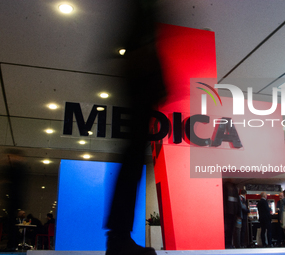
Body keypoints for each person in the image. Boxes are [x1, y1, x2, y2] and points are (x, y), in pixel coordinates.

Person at [104, 1, 166, 255]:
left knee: (132, 156)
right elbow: (140, 40)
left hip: (140, 81)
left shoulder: (142, 10)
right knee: (132, 158)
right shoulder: (142, 9)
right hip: (141, 82)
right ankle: (118, 237)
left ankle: (118, 236)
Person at [223, 180, 241, 249]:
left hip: (228, 213)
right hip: (232, 213)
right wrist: (238, 214)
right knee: (230, 229)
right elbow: (238, 203)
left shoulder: (226, 190)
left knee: (228, 229)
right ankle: (228, 244)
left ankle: (228, 244)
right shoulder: (235, 191)